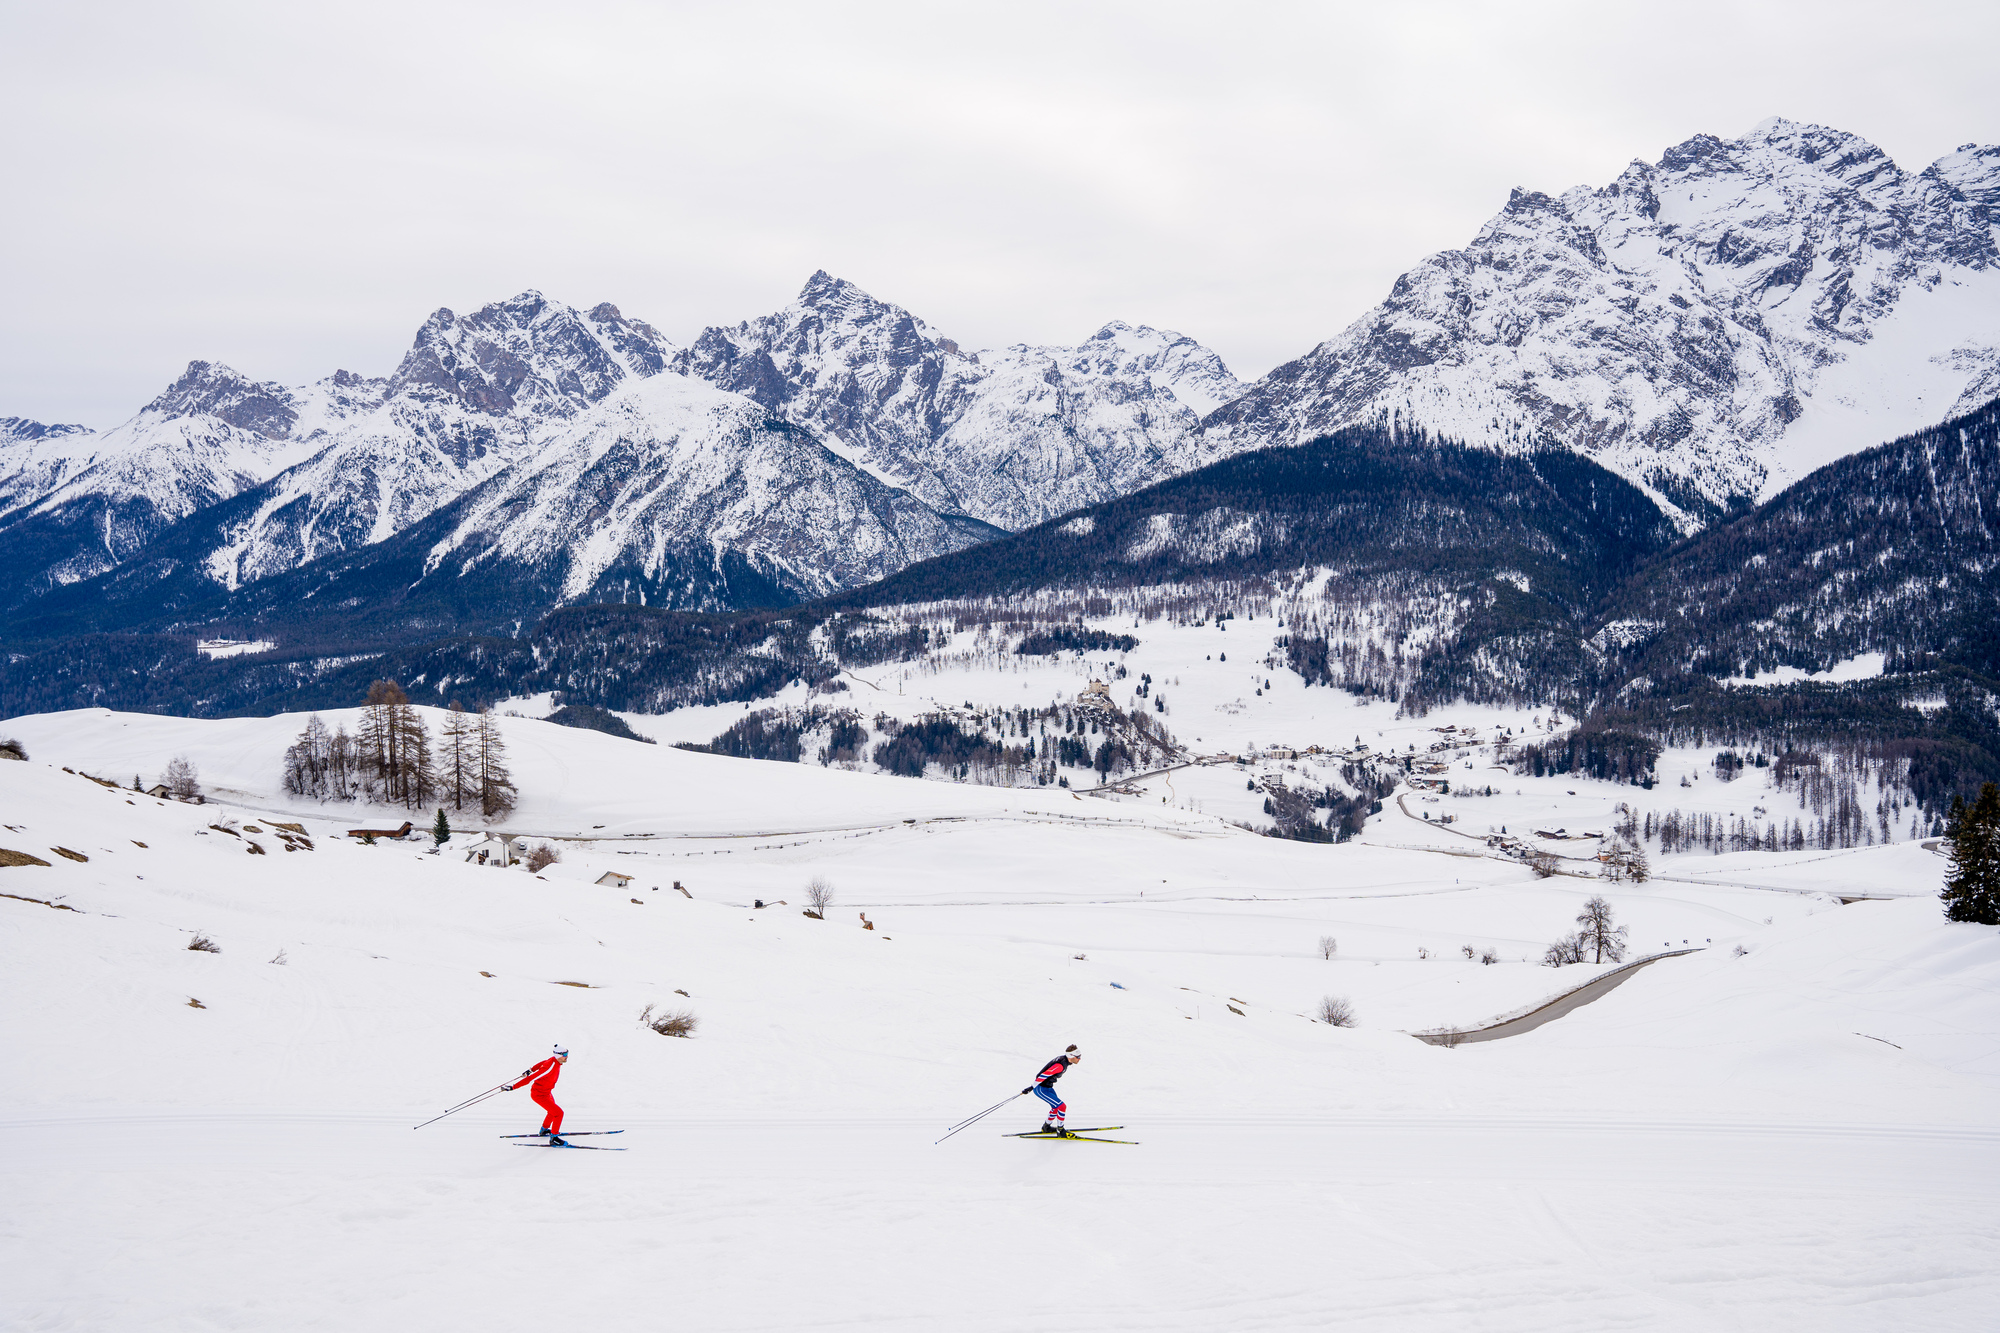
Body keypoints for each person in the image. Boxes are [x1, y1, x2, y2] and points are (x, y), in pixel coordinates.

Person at [503, 1045, 569, 1140]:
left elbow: (543, 1062)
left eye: (567, 1053)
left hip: (546, 1092)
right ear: (558, 1055)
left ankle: (544, 1130)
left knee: (552, 1112)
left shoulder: (554, 1060)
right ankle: (554, 1138)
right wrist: (513, 1087)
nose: (567, 1056)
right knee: (559, 1113)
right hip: (539, 1095)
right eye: (565, 1054)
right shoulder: (550, 1067)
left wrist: (531, 1069)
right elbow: (530, 1079)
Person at [1023, 1044, 1081, 1136]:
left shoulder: (1064, 1061)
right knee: (1062, 1106)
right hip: (1041, 1089)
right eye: (1078, 1057)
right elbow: (1044, 1075)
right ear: (1071, 1056)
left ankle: (1046, 1127)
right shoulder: (1060, 1065)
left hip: (1048, 1087)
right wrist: (1032, 1087)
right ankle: (1060, 1131)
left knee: (1056, 1107)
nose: (1079, 1059)